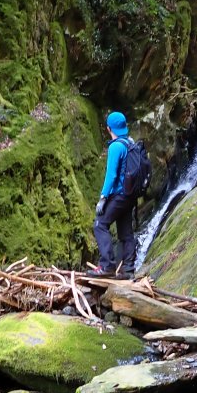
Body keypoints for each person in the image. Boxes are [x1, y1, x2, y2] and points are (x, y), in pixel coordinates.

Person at [87, 111, 137, 279]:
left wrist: (103, 197)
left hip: (119, 195)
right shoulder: (130, 143)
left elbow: (111, 175)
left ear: (109, 129)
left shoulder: (116, 147)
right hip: (130, 195)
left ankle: (107, 266)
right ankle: (128, 269)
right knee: (126, 232)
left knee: (100, 224)